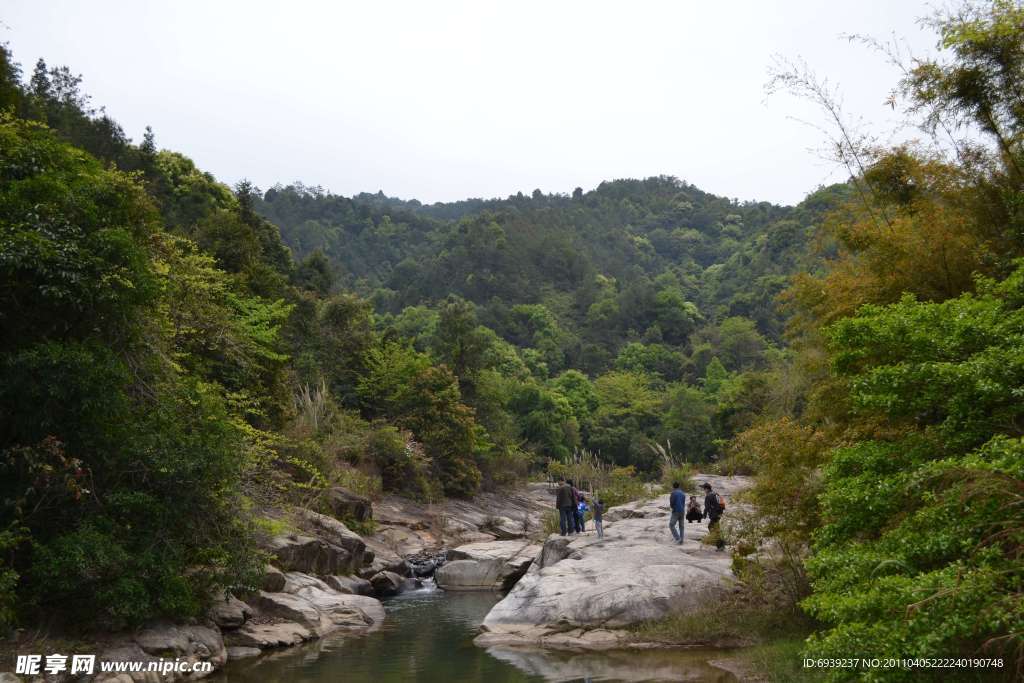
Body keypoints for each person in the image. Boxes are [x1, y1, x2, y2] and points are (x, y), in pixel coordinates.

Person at [702, 481, 726, 550]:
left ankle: (720, 544)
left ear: (707, 489)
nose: (704, 490)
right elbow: (722, 504)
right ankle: (721, 543)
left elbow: (707, 507)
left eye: (704, 489)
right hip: (719, 513)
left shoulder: (708, 496)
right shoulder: (716, 494)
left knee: (711, 527)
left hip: (714, 514)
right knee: (716, 528)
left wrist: (704, 515)